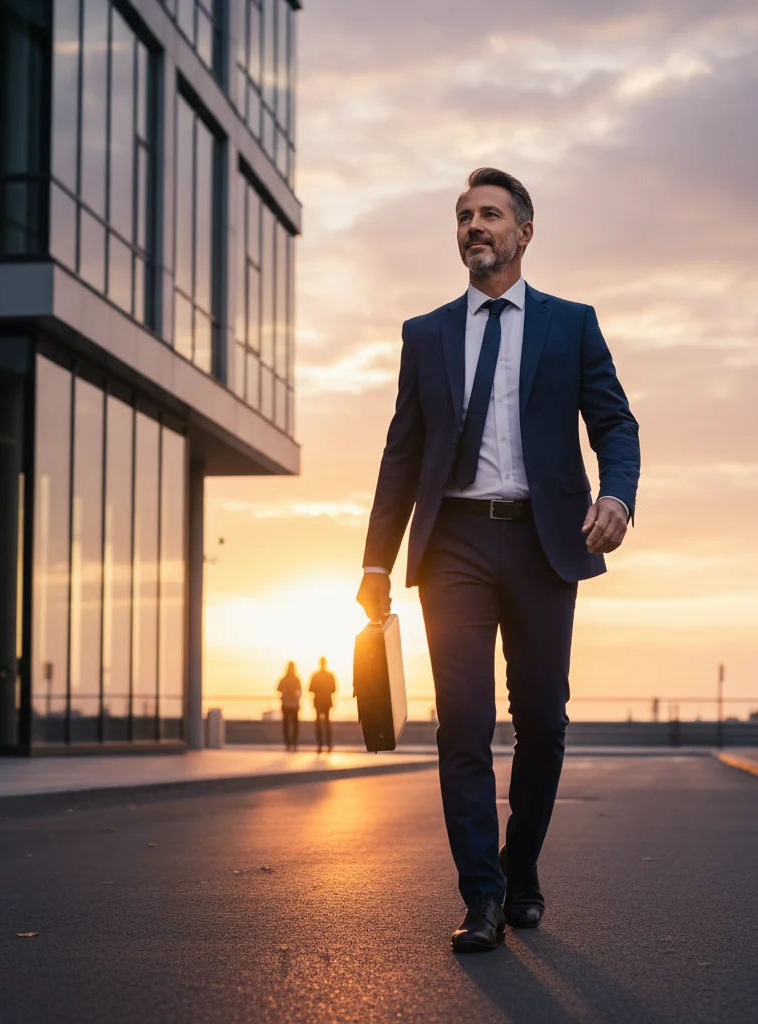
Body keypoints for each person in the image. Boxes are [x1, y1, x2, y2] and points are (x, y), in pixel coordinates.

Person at [357, 168, 640, 953]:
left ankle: (521, 867)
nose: (473, 226)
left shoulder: (572, 324)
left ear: (524, 232)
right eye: (463, 216)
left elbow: (617, 426)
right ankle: (481, 894)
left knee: (543, 723)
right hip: (454, 544)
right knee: (464, 730)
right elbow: (401, 454)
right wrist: (376, 563)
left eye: (489, 214)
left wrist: (617, 497)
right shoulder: (427, 334)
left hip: (545, 543)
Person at [309, 658, 337, 753]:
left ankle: (320, 745)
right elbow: (334, 689)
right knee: (326, 723)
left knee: (320, 724)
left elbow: (310, 688)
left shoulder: (315, 675)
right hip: (326, 701)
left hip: (319, 701)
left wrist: (319, 691)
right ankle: (328, 744)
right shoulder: (330, 675)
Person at [277, 662, 302, 751]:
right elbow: (278, 688)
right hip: (288, 705)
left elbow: (300, 692)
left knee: (293, 725)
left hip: (292, 705)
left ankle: (293, 743)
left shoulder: (294, 679)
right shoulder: (286, 679)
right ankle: (289, 743)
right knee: (288, 725)